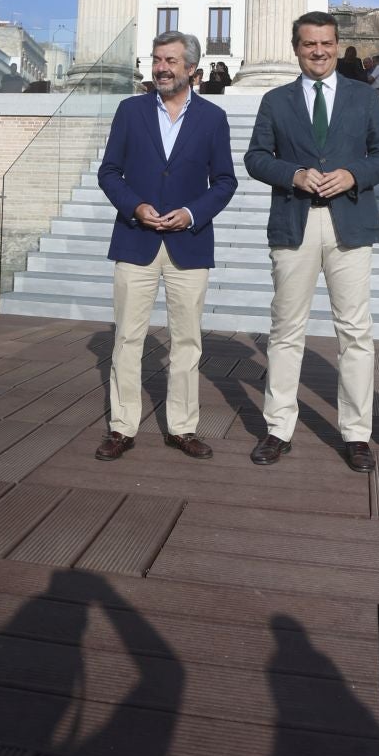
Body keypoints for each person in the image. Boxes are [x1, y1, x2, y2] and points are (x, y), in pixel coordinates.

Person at [244, 10, 379, 472]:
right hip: (295, 223)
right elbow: (255, 158)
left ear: (336, 45)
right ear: (296, 48)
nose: (319, 51)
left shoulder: (364, 98)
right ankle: (278, 429)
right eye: (310, 44)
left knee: (354, 332)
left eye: (326, 43)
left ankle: (356, 434)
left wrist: (353, 173)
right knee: (286, 329)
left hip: (349, 225)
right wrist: (293, 173)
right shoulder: (274, 100)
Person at [96, 30, 237, 461]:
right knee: (127, 339)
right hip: (135, 239)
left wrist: (193, 213)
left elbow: (226, 181)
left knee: (187, 341)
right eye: (157, 59)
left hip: (188, 243)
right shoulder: (130, 110)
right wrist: (135, 206)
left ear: (192, 69)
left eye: (171, 61)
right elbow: (109, 172)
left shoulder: (213, 118)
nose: (161, 67)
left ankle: (182, 427)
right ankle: (122, 427)